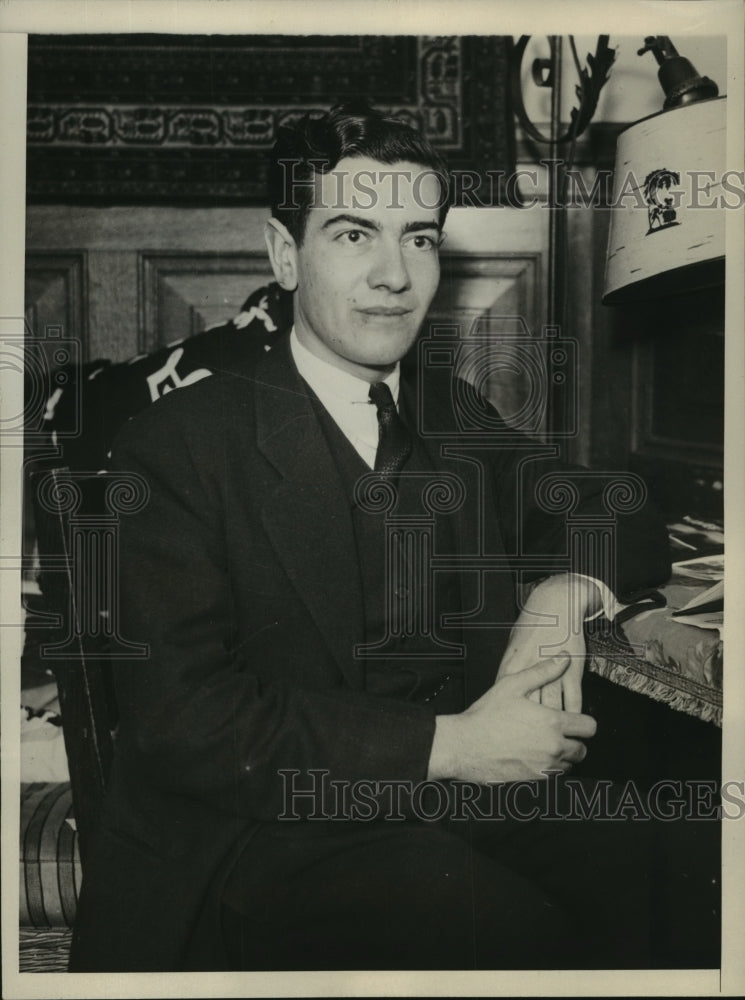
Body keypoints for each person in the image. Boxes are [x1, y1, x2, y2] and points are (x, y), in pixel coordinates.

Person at [70, 103, 680, 973]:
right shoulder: (175, 445)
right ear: (285, 254)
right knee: (508, 938)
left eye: (419, 238)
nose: (394, 275)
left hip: (466, 801)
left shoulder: (446, 411)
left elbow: (615, 507)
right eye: (354, 234)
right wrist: (454, 746)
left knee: (678, 873)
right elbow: (185, 721)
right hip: (267, 833)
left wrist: (561, 595)